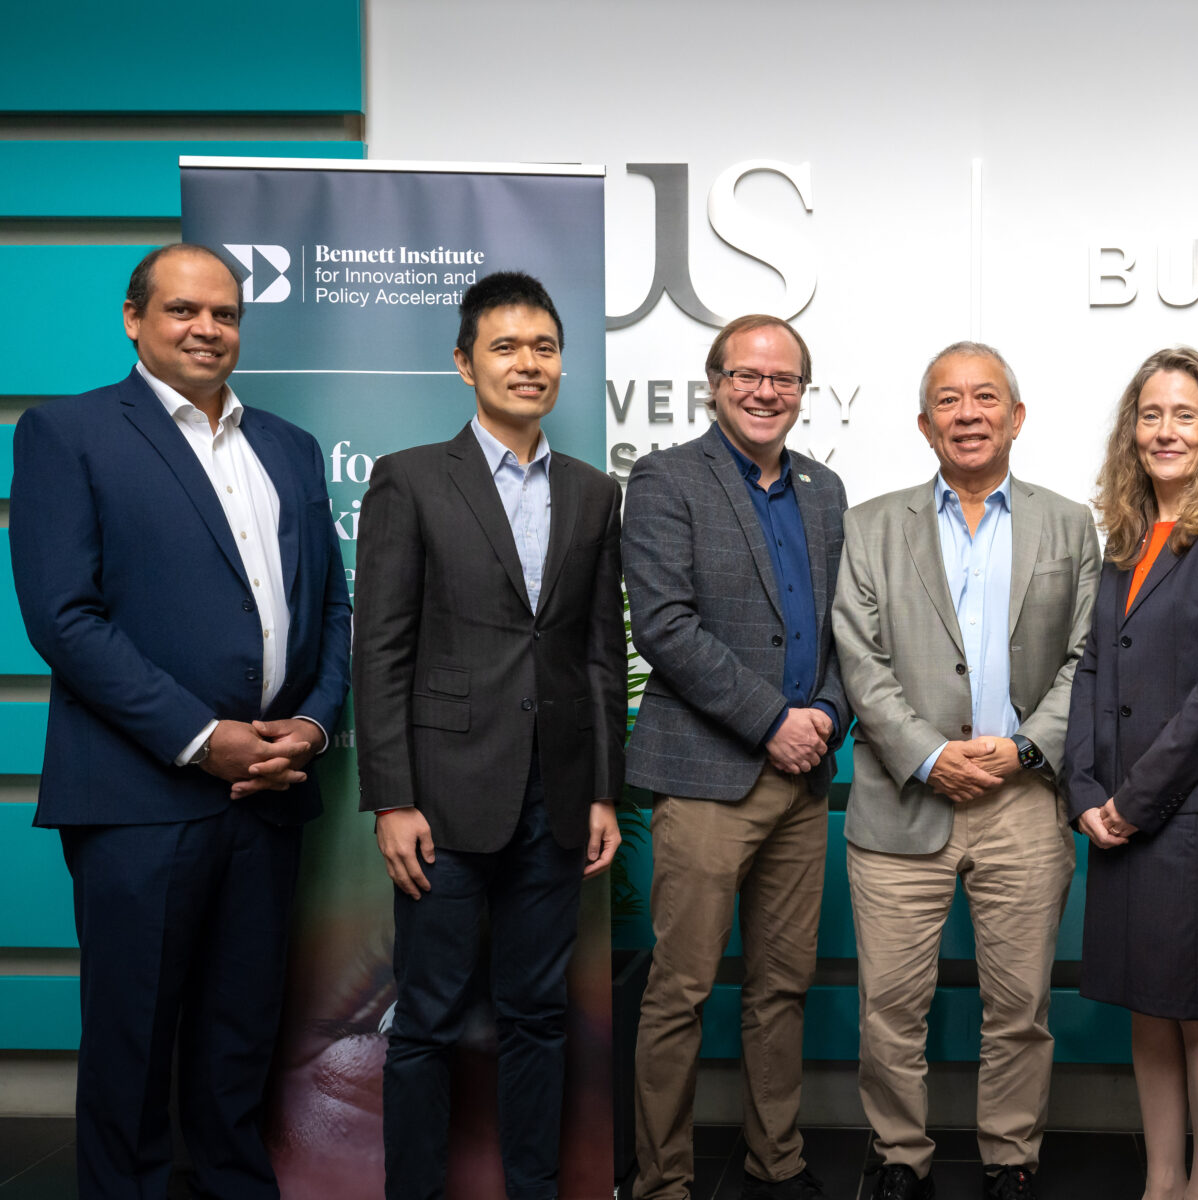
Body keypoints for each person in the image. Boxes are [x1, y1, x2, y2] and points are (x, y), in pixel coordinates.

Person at [8, 243, 352, 1198]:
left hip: (272, 792)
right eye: (183, 312)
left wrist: (312, 728)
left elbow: (329, 608)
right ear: (134, 320)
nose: (209, 329)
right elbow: (63, 618)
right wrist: (205, 738)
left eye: (227, 314)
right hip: (139, 798)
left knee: (241, 1033)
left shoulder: (287, 445)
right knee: (134, 1038)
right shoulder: (66, 433)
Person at [354, 271, 627, 1200]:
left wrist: (601, 791)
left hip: (556, 800)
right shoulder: (411, 479)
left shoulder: (593, 494)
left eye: (544, 348)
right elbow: (379, 650)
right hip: (442, 798)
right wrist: (392, 797)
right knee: (426, 1019)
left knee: (538, 1016)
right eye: (506, 347)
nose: (528, 364)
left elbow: (599, 653)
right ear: (464, 363)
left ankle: (534, 1187)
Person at [833, 341, 1101, 1200]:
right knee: (890, 1009)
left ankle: (1010, 1159)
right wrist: (928, 754)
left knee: (1020, 1008)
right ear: (924, 425)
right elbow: (859, 659)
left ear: (1017, 418)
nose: (968, 413)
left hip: (1024, 800)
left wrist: (1024, 748)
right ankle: (899, 1159)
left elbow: (1089, 659)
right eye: (948, 401)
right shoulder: (872, 525)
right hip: (902, 799)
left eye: (987, 397)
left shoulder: (1069, 523)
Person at [623, 314, 848, 1200]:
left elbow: (846, 627)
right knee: (679, 993)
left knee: (780, 989)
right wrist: (771, 720)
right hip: (709, 777)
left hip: (805, 779)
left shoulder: (826, 491)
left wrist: (827, 712)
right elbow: (666, 626)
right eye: (748, 375)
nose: (765, 391)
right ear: (714, 382)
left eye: (784, 379)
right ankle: (664, 1180)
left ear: (801, 391)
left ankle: (776, 1160)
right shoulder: (667, 478)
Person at [1064, 347, 1198, 1200]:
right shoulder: (1124, 533)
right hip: (1118, 811)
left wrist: (1134, 801)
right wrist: (1083, 790)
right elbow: (1090, 669)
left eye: (1184, 414)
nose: (1165, 430)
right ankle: (1160, 1182)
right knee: (1149, 1009)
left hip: (1192, 814)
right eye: (1151, 414)